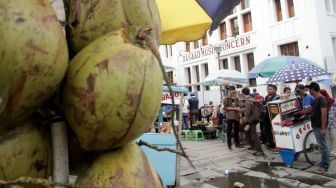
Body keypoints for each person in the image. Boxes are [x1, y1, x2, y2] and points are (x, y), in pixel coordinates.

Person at [308, 82, 330, 174]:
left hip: (319, 126)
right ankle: (323, 162)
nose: (309, 91)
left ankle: (325, 166)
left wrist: (323, 128)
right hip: (316, 125)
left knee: (323, 146)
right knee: (321, 145)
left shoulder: (322, 99)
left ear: (313, 89)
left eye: (309, 89)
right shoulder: (316, 99)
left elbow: (324, 114)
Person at [241, 87, 264, 156]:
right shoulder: (252, 99)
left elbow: (247, 113)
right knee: (248, 132)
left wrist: (247, 121)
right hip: (255, 118)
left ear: (243, 93)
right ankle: (253, 146)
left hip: (251, 119)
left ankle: (260, 151)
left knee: (254, 135)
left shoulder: (247, 101)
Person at [263, 84, 280, 149]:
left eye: (270, 89)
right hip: (266, 116)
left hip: (274, 116)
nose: (269, 90)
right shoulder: (266, 97)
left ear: (275, 90)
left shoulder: (277, 97)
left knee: (275, 130)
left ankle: (277, 144)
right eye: (268, 89)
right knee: (267, 130)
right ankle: (270, 143)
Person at [224, 86, 241, 150]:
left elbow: (239, 106)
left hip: (236, 116)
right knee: (229, 131)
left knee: (237, 130)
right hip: (230, 116)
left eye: (232, 90)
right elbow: (225, 108)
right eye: (230, 90)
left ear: (234, 90)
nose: (231, 91)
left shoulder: (237, 98)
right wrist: (235, 108)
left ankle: (237, 143)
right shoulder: (226, 98)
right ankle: (229, 144)